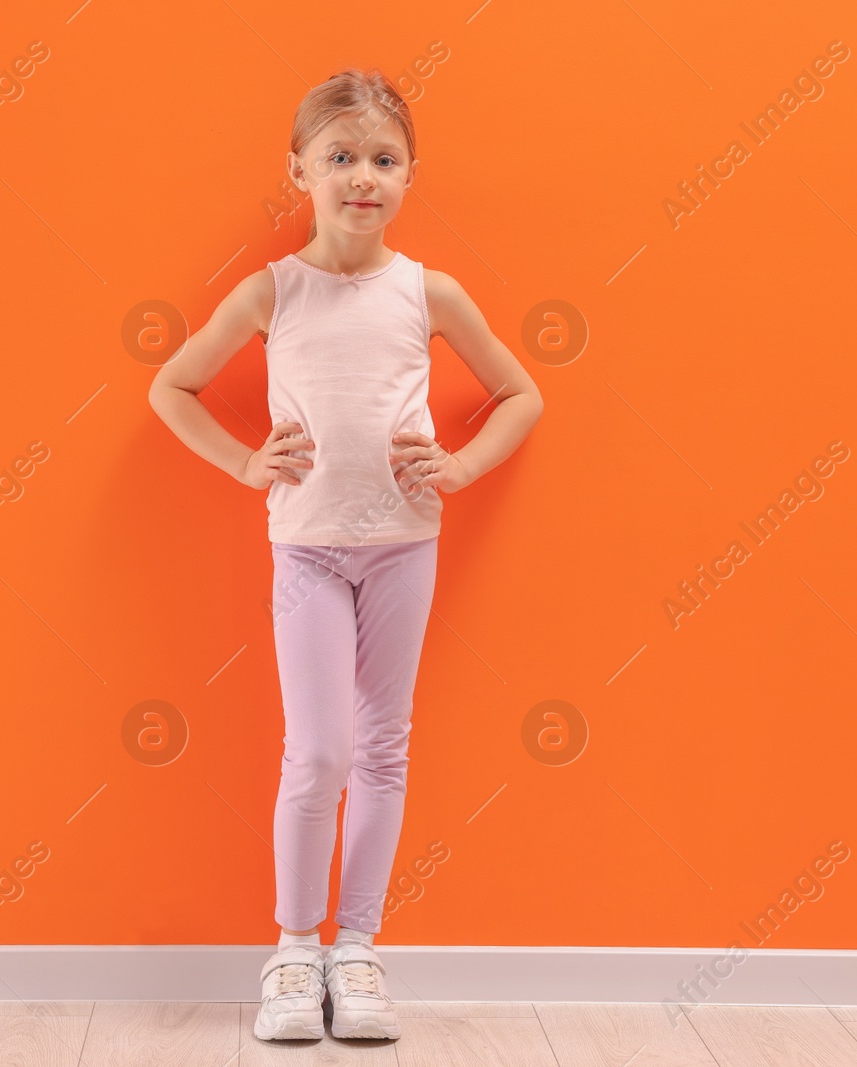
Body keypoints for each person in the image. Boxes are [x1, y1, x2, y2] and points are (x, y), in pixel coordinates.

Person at [148, 66, 543, 1042]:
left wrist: (458, 466)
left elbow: (522, 394)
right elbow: (171, 387)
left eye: (382, 159)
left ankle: (355, 948)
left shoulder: (427, 291)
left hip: (404, 546)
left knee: (380, 748)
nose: (362, 176)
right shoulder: (270, 292)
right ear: (299, 171)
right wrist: (246, 461)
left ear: (409, 175)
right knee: (317, 748)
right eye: (340, 158)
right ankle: (293, 948)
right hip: (309, 552)